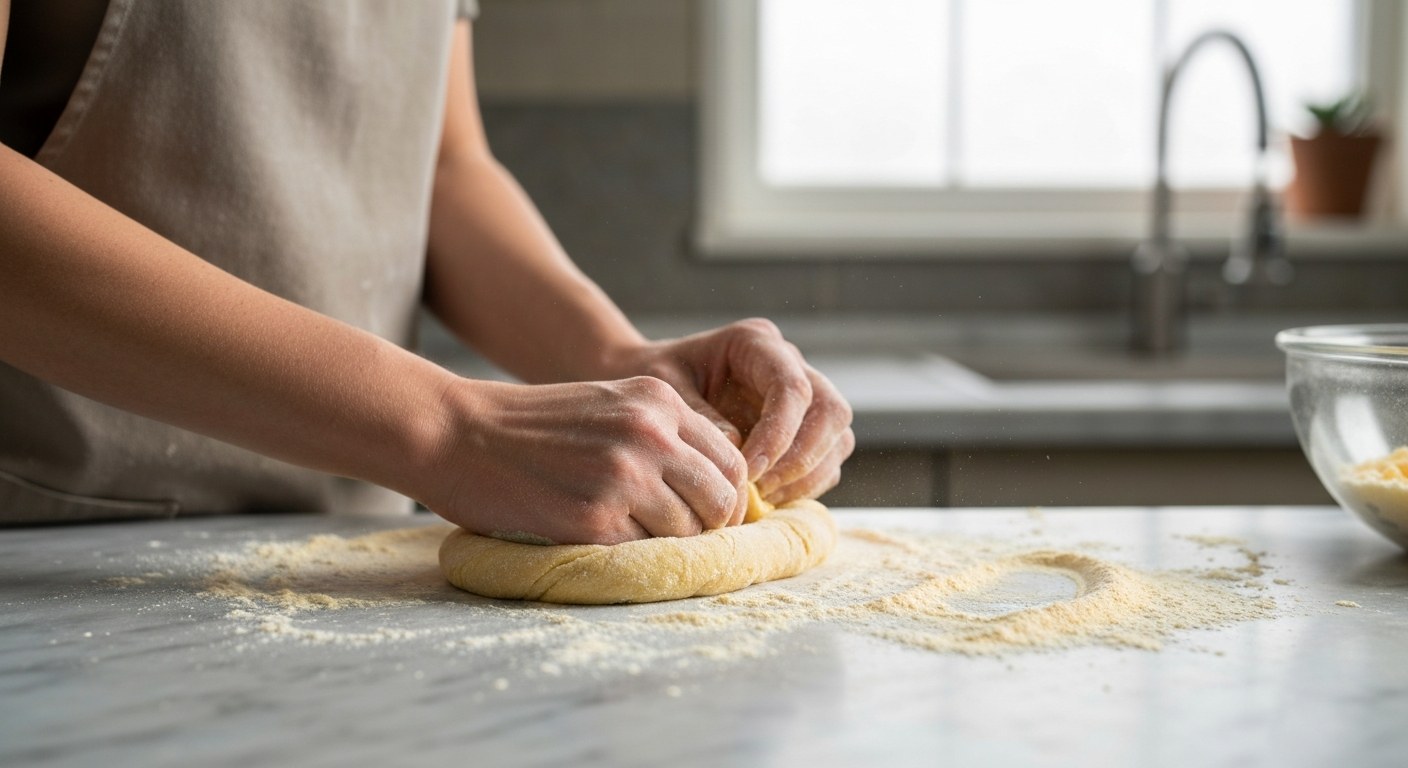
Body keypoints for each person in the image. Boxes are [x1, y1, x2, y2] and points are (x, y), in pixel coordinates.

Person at [0, 1, 853, 543]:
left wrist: (615, 353)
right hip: (57, 536)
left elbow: (442, 167)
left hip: (350, 542)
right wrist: (449, 431)